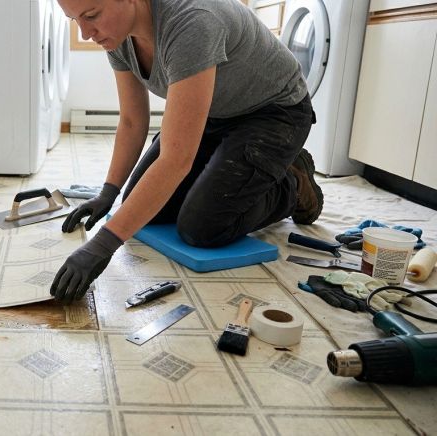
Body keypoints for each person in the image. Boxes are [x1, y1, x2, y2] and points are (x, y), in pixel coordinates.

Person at [50, 0, 322, 304]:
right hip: (214, 112)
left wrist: (103, 245)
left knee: (202, 227)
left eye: (91, 15)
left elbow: (177, 160)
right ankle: (234, 168)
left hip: (272, 113)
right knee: (144, 210)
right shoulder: (118, 34)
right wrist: (108, 192)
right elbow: (132, 121)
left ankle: (292, 182)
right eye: (75, 20)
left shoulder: (192, 21)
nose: (86, 33)